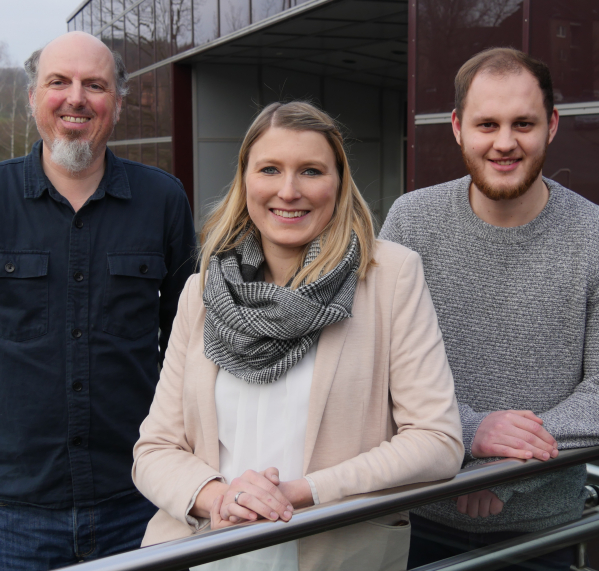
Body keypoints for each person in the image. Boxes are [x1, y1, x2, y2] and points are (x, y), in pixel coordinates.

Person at [132, 101, 465, 571]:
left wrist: (301, 493)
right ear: (246, 179)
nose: (288, 191)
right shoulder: (203, 289)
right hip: (203, 552)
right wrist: (217, 498)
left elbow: (437, 441)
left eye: (310, 171)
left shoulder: (390, 277)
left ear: (338, 181)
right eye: (270, 169)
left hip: (335, 553)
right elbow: (154, 449)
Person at [0, 31, 196, 570]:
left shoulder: (163, 200)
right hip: (15, 516)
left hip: (138, 499)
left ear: (117, 102)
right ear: (33, 98)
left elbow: (187, 338)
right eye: (58, 82)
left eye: (95, 85)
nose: (76, 98)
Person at [380, 48, 599, 570]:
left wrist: (506, 470)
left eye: (523, 123)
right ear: (458, 127)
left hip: (541, 536)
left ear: (551, 125)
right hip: (412, 519)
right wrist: (469, 433)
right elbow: (374, 367)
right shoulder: (412, 224)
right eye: (487, 124)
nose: (505, 142)